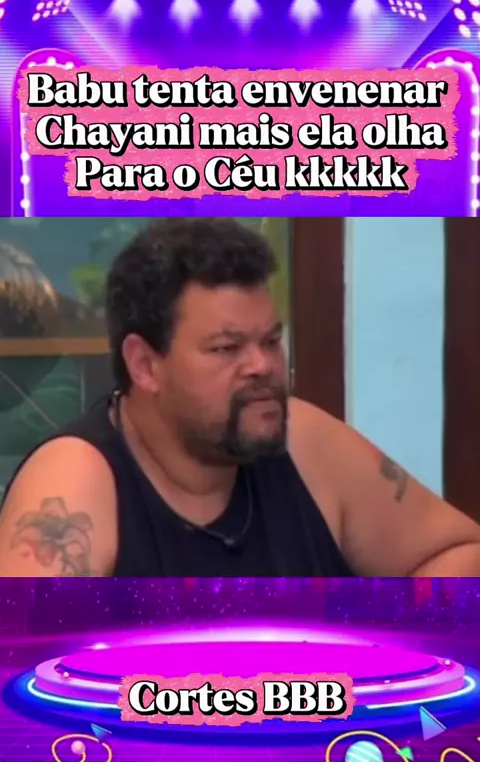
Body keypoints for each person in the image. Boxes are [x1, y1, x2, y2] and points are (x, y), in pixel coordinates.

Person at [0, 217, 479, 578]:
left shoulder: (304, 441)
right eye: (227, 348)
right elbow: (26, 666)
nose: (262, 366)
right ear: (145, 365)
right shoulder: (74, 481)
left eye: (270, 341)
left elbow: (460, 554)